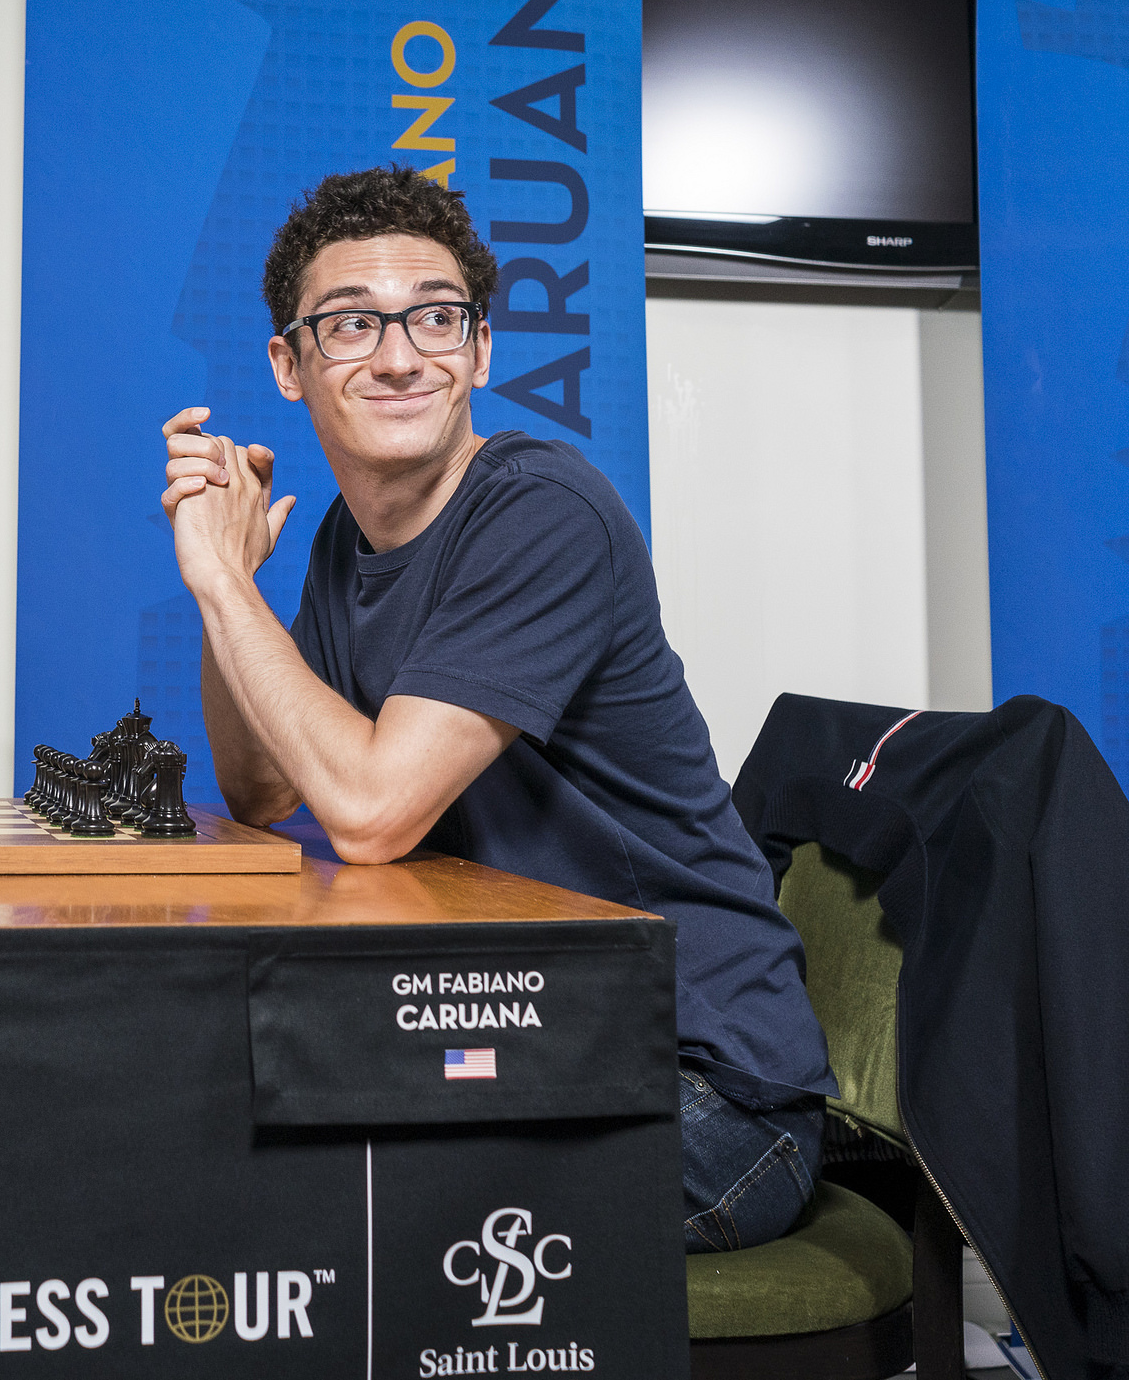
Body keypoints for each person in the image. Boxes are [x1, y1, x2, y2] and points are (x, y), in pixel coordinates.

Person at [159, 165, 835, 1255]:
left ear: (476, 349)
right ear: (289, 364)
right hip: (533, 1037)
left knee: (327, 1223)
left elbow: (369, 814)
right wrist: (220, 588)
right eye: (349, 324)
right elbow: (264, 785)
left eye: (432, 318)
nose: (395, 354)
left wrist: (227, 587)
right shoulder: (345, 542)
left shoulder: (541, 512)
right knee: (224, 1146)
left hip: (700, 1087)